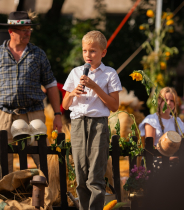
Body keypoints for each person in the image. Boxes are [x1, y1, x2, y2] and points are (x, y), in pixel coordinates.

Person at [0, 11, 62, 181]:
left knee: (41, 155)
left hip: (34, 113)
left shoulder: (38, 54)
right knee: (3, 160)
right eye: (23, 29)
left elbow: (51, 85)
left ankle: (49, 197)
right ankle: (5, 200)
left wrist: (58, 114)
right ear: (11, 31)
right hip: (4, 114)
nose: (28, 33)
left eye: (29, 29)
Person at [62, 30, 122, 210]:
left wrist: (94, 86)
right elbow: (65, 104)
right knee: (80, 172)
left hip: (98, 123)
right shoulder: (75, 72)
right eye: (85, 51)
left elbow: (114, 105)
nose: (88, 55)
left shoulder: (110, 73)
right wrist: (73, 93)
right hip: (78, 123)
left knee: (95, 172)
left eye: (93, 51)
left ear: (103, 52)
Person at [138, 87, 184, 170]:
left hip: (175, 160)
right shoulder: (151, 120)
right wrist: (169, 158)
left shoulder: (177, 121)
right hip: (155, 159)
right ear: (159, 101)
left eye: (172, 101)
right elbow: (150, 147)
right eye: (165, 100)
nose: (168, 103)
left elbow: (180, 145)